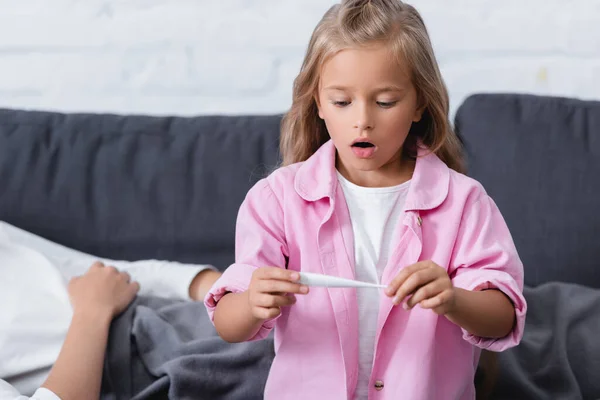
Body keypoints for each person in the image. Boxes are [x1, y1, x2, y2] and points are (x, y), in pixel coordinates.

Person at [204, 1, 527, 399]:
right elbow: (226, 322)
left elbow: (503, 316)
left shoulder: (464, 202)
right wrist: (252, 301)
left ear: (419, 104)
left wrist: (453, 298)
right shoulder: (276, 200)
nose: (363, 120)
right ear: (318, 103)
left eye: (386, 101)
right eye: (342, 102)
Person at [0, 221, 221, 400]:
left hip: (155, 316)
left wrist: (214, 285)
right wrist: (92, 312)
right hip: (125, 372)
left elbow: (102, 274)